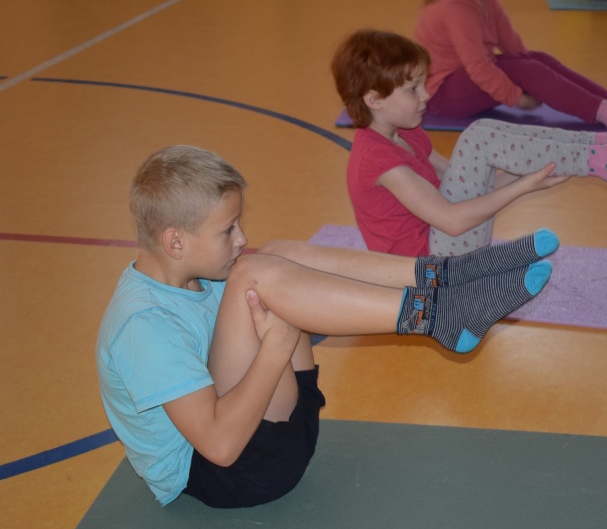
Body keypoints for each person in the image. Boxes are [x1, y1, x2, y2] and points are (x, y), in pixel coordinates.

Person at [96, 144, 558, 508]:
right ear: (175, 242)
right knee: (254, 272)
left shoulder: (194, 270)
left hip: (283, 429)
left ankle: (444, 275)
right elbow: (219, 446)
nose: (242, 237)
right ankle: (437, 315)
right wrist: (276, 346)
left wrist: (282, 333)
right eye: (228, 230)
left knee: (274, 256)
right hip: (233, 473)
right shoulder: (143, 326)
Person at [331, 29, 607, 257]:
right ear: (374, 100)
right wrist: (523, 187)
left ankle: (604, 147)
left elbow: (468, 180)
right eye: (412, 90)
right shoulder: (377, 160)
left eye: (423, 85)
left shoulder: (407, 131)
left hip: (445, 247)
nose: (426, 96)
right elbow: (452, 220)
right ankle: (601, 158)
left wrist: (528, 174)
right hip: (429, 269)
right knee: (478, 137)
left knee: (481, 134)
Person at [415, 0, 607, 130]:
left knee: (538, 60)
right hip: (441, 95)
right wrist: (517, 98)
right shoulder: (458, 5)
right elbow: (479, 68)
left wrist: (531, 72)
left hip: (462, 79)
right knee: (529, 70)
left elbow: (515, 48)